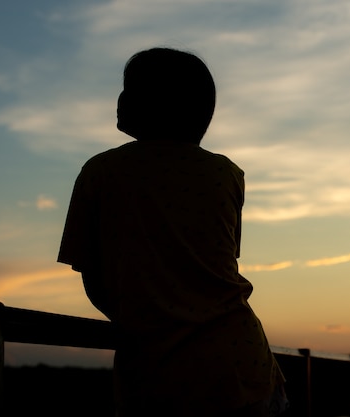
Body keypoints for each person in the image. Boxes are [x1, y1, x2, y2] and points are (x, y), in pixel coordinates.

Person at [57, 47, 288, 417]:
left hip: (163, 377)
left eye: (130, 88)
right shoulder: (226, 173)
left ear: (155, 102)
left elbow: (95, 280)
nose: (119, 98)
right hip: (246, 366)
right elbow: (214, 268)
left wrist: (145, 320)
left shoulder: (100, 171)